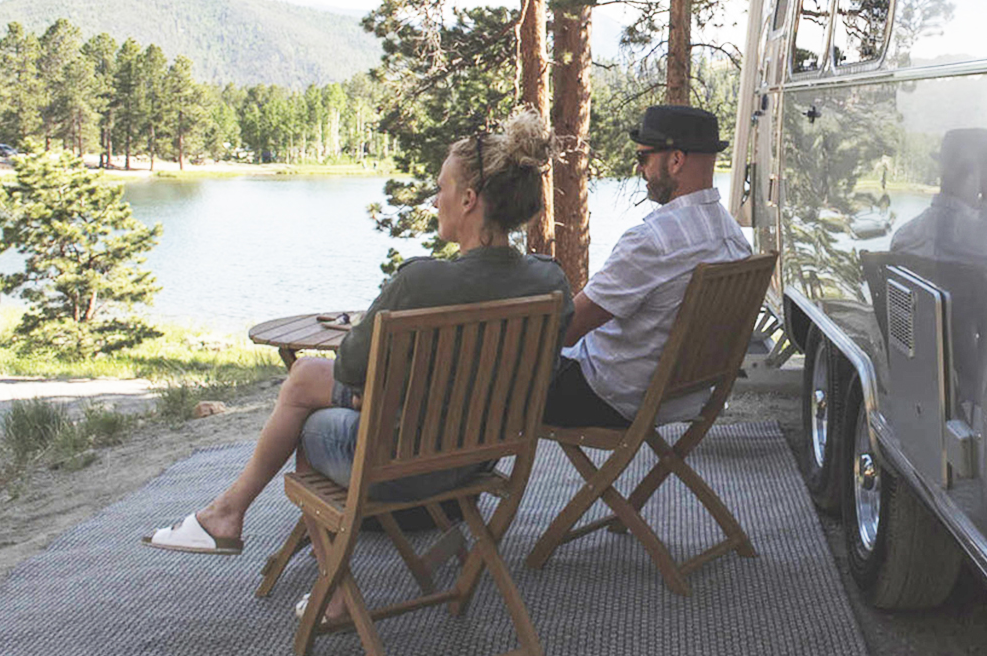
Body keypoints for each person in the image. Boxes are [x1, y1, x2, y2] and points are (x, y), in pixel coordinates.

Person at [144, 109, 572, 562]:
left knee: (308, 418)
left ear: (468, 199)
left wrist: (368, 395)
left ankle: (326, 591)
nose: (433, 200)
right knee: (310, 378)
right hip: (479, 462)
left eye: (440, 189)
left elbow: (349, 367)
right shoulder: (551, 282)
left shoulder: (422, 282)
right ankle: (228, 515)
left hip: (403, 466)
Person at [541, 104, 752, 428]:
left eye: (643, 158)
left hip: (610, 397)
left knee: (491, 379)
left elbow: (566, 331)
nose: (640, 169)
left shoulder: (653, 241)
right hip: (683, 396)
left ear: (676, 160)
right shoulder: (732, 237)